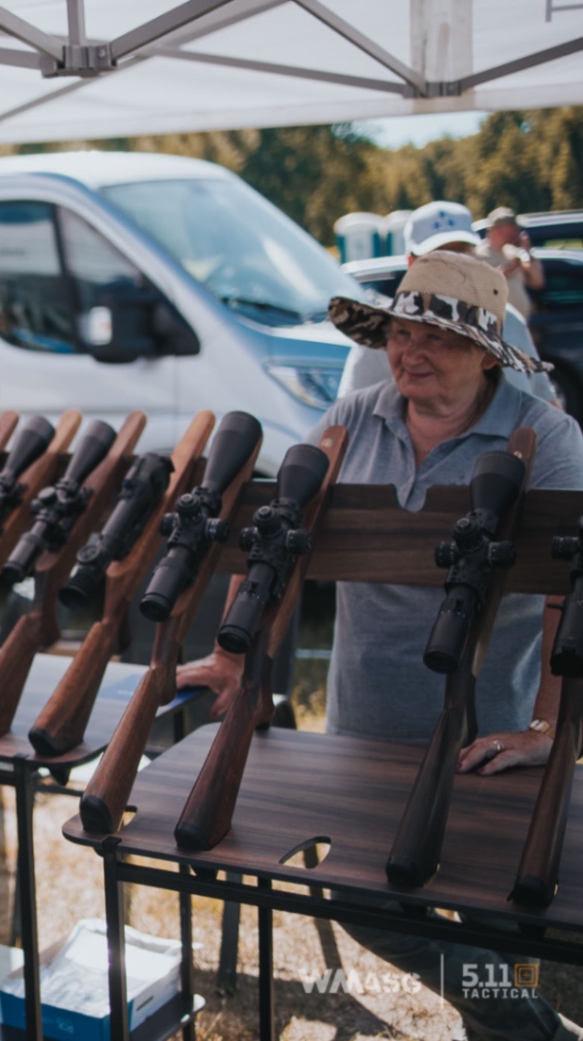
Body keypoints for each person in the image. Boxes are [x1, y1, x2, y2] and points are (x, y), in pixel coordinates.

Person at [181, 251, 583, 1040]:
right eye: (401, 331)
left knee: (491, 920)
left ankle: (510, 1027)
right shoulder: (351, 419)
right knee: (367, 905)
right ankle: (532, 1028)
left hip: (483, 736)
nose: (409, 351)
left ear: (487, 353)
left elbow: (569, 594)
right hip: (361, 726)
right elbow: (276, 532)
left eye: (436, 338)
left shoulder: (547, 435)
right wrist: (233, 656)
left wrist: (546, 731)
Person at [338, 200, 555, 404]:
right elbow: (347, 423)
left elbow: (547, 406)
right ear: (412, 263)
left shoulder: (508, 320)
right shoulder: (382, 334)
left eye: (461, 252)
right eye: (437, 255)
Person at [480, 206, 545, 321]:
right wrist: (502, 273)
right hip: (496, 325)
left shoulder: (513, 252)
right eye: (513, 227)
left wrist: (527, 251)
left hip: (523, 323)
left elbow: (537, 282)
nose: (517, 231)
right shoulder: (478, 255)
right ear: (500, 229)